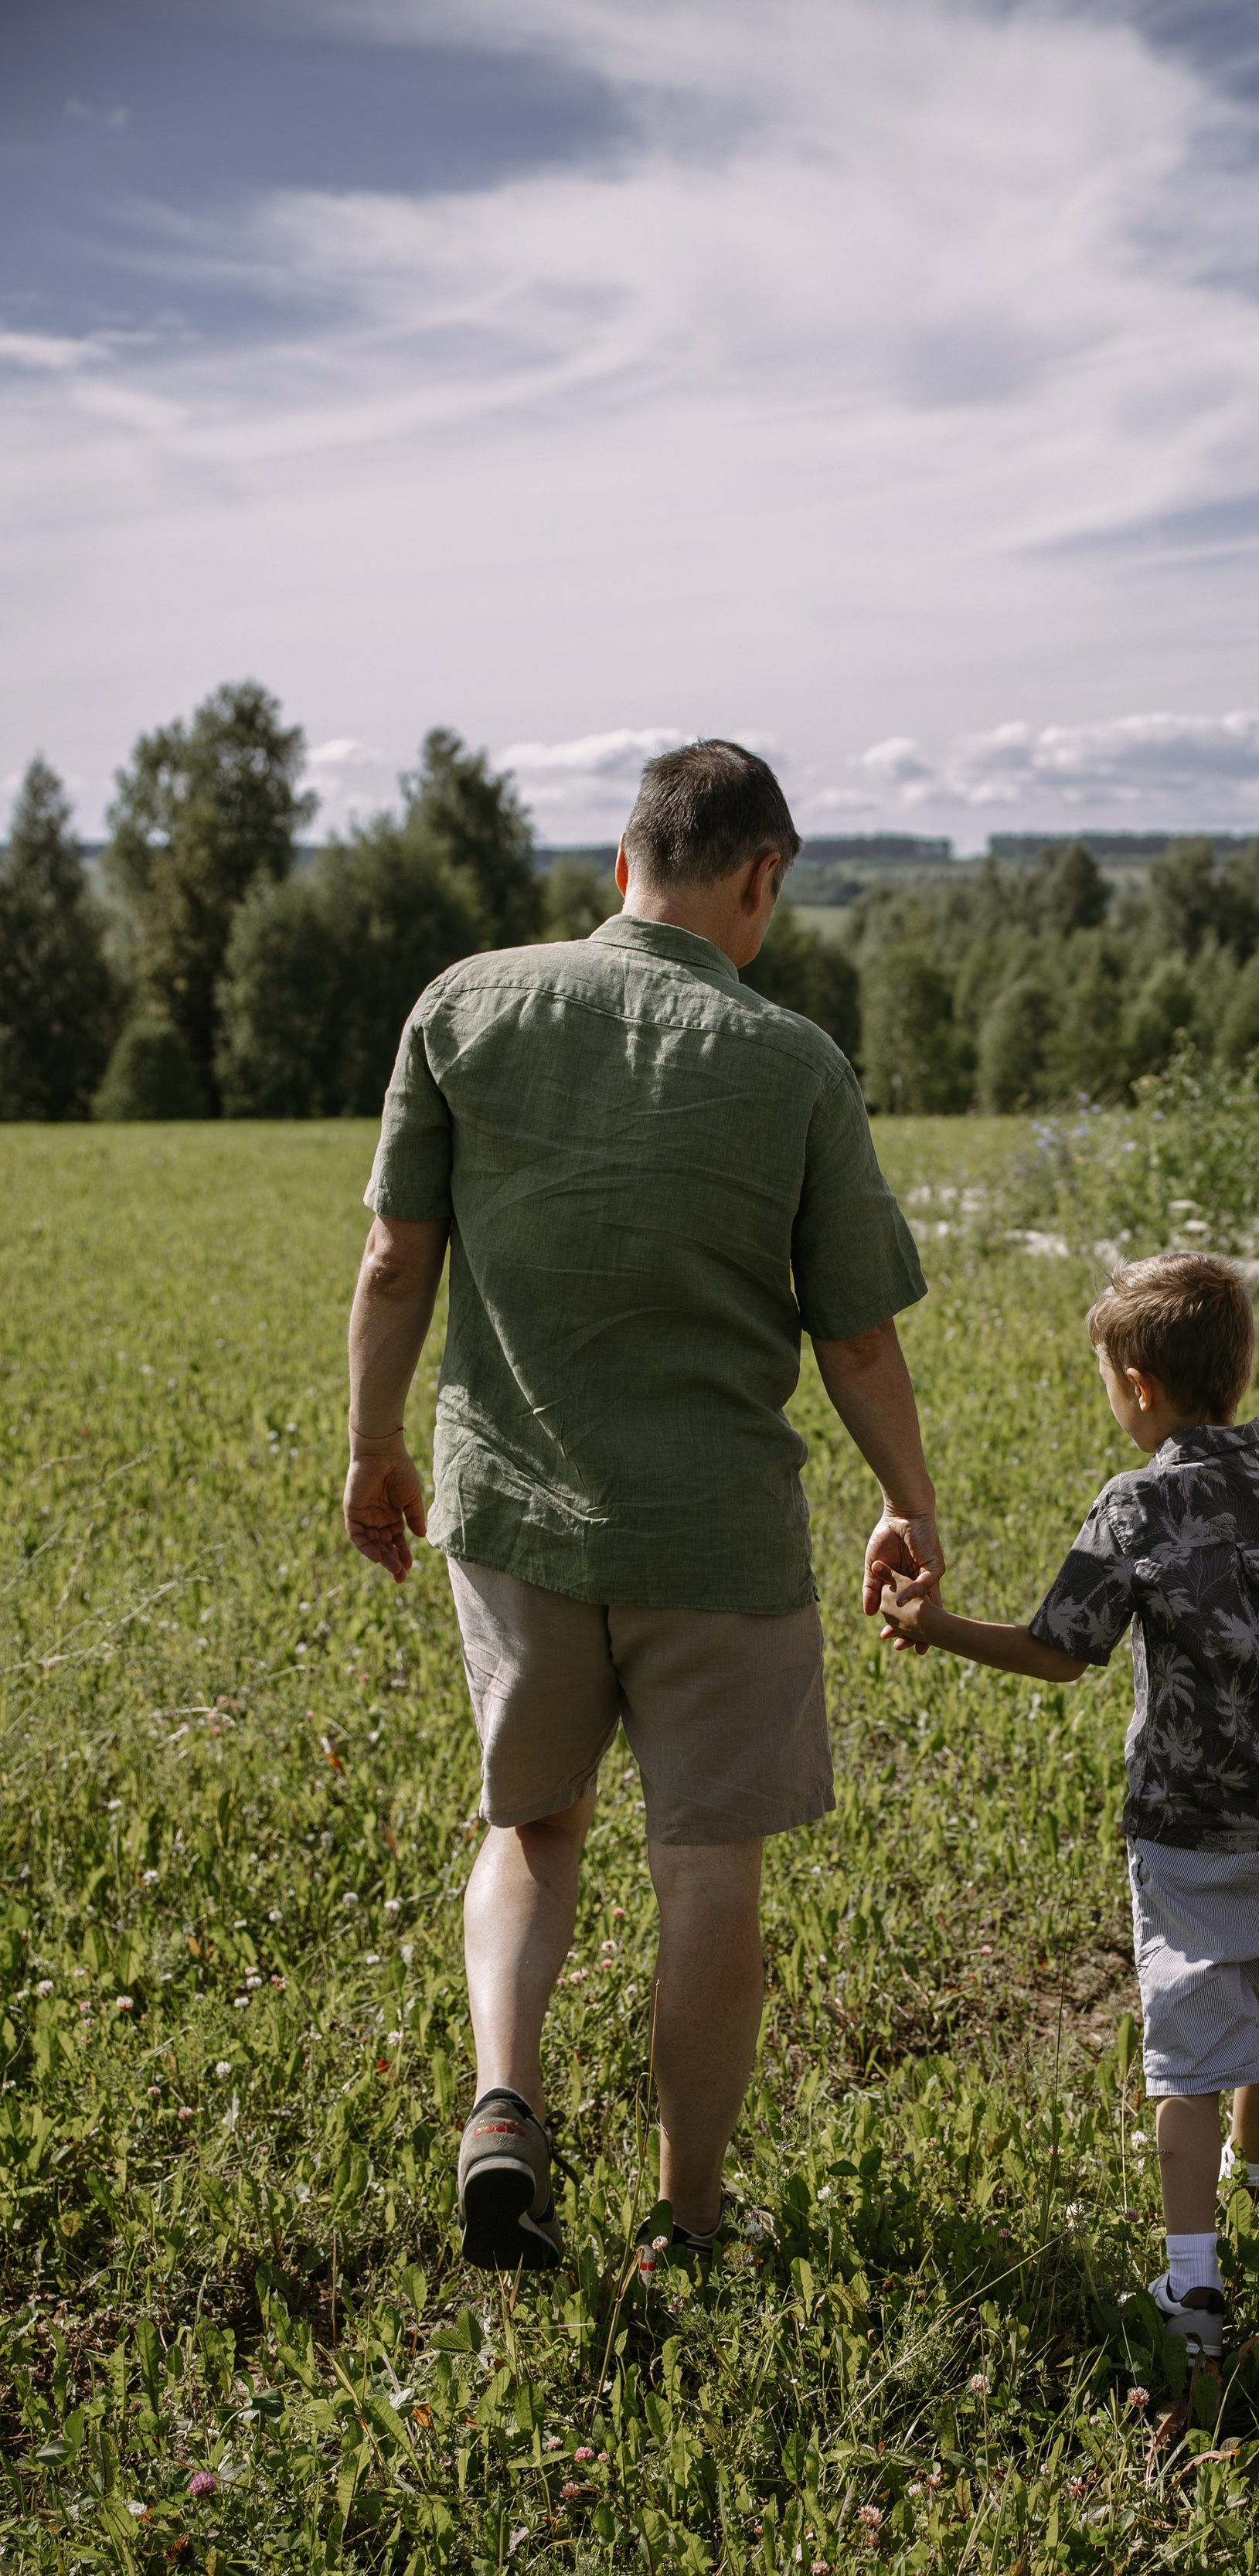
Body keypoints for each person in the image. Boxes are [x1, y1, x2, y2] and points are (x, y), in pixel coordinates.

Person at [343, 739, 941, 2274]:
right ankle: (684, 2216)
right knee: (706, 1868)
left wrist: (373, 1446)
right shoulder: (792, 1061)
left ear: (623, 868)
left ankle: (500, 2107)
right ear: (758, 880)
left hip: (511, 1513)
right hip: (715, 1539)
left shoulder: (464, 1005)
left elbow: (396, 1259)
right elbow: (857, 1336)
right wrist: (910, 1506)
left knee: (532, 1827)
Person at [883, 1253, 1259, 2362]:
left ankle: (1194, 2282)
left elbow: (1062, 1653)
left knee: (1190, 2048)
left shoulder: (1136, 1505)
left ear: (1140, 1387)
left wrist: (937, 1626)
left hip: (1187, 1830)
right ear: (1244, 1367)